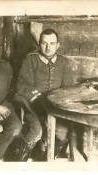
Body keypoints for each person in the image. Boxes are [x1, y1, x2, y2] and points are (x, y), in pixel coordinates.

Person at [17, 28, 75, 161]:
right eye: (44, 43)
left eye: (52, 43)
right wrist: (38, 102)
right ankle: (19, 163)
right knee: (37, 129)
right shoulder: (30, 59)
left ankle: (44, 159)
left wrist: (58, 103)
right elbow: (22, 85)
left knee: (62, 131)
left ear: (58, 45)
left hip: (55, 105)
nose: (48, 47)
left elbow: (68, 88)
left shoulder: (64, 62)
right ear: (39, 44)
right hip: (34, 104)